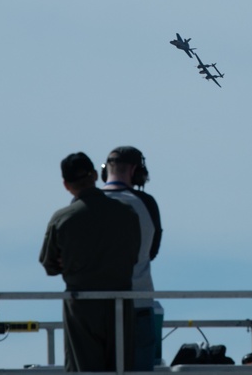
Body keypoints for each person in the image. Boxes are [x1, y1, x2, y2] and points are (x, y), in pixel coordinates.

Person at [40, 152, 141, 372]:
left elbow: (49, 265)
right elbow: (134, 256)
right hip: (121, 303)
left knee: (83, 368)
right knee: (121, 368)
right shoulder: (127, 213)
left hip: (81, 306)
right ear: (95, 175)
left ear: (66, 185)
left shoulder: (63, 218)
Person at [101, 146, 160, 370]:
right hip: (138, 304)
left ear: (105, 170)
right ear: (136, 171)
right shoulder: (146, 203)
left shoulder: (80, 205)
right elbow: (152, 252)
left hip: (94, 309)